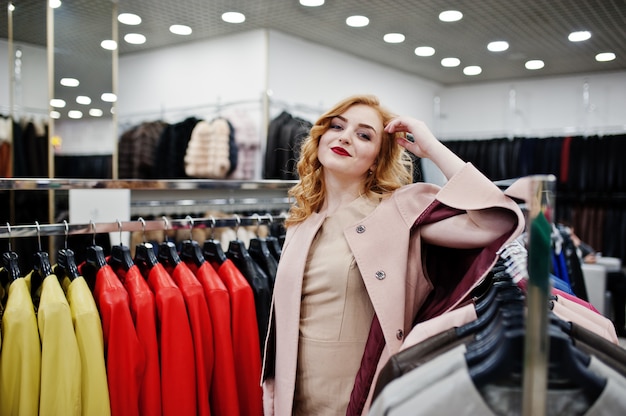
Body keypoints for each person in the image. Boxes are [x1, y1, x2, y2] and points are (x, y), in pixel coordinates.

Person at [260, 94, 524, 415]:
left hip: (357, 396)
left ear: (377, 158)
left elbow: (496, 222)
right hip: (294, 396)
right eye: (337, 126)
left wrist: (432, 149)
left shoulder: (398, 209)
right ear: (320, 138)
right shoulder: (301, 219)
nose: (345, 137)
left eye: (364, 134)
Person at [569, 229, 626, 337]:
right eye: (571, 233)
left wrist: (579, 243)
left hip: (594, 273)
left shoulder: (576, 245)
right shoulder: (566, 246)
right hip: (588, 275)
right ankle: (619, 325)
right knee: (620, 279)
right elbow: (574, 264)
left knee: (620, 280)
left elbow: (592, 252)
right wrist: (583, 259)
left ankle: (619, 324)